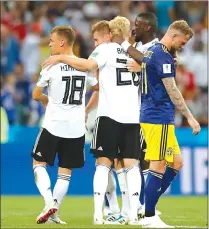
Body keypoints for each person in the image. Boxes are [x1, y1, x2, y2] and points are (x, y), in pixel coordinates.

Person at [43, 16, 143, 225]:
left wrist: (61, 58)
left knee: (103, 165)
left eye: (97, 40)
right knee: (132, 167)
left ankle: (99, 214)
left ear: (110, 34)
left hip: (109, 117)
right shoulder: (136, 54)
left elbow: (88, 65)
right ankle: (132, 214)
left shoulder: (106, 49)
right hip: (133, 117)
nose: (96, 44)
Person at [130, 20, 200, 228]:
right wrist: (190, 116)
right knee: (158, 165)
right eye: (183, 41)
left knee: (176, 163)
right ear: (174, 35)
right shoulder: (161, 55)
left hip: (159, 116)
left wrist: (174, 57)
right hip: (157, 116)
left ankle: (146, 206)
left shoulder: (154, 51)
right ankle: (149, 216)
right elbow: (172, 89)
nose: (183, 45)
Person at [31, 25, 98, 224]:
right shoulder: (84, 65)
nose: (49, 44)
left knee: (38, 164)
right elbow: (97, 87)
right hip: (76, 127)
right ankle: (54, 213)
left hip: (53, 124)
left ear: (62, 42)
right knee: (65, 171)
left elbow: (35, 94)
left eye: (51, 40)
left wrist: (44, 100)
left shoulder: (51, 65)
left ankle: (48, 202)